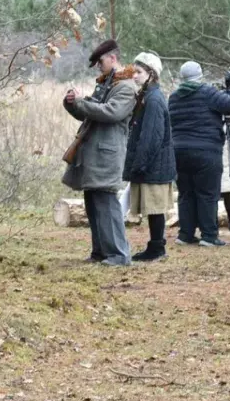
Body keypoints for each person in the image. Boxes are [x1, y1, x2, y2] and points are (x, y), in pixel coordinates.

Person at [62, 39, 137, 266]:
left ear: (113, 58)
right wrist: (73, 104)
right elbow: (90, 114)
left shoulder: (126, 88)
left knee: (106, 204)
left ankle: (118, 254)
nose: (98, 66)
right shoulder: (107, 84)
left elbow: (110, 113)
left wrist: (83, 103)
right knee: (93, 203)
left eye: (100, 61)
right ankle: (101, 252)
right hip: (95, 154)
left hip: (107, 155)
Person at [168, 61, 230, 246]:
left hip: (178, 152)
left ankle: (185, 234)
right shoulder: (207, 93)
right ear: (200, 76)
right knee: (207, 193)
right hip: (206, 152)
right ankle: (209, 236)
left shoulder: (173, 97)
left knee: (186, 193)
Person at [123, 52, 175, 262]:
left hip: (154, 164)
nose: (134, 76)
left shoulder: (153, 99)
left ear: (151, 74)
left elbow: (152, 137)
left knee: (155, 208)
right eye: (134, 71)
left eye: (139, 72)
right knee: (153, 209)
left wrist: (139, 164)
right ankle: (155, 246)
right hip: (153, 164)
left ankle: (157, 248)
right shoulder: (147, 96)